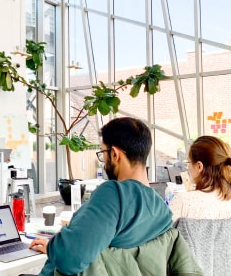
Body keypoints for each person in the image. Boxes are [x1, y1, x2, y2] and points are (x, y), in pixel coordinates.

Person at [29, 117, 174, 276]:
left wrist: (55, 247)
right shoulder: (162, 210)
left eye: (103, 153)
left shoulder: (114, 193)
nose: (103, 161)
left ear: (115, 154)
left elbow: (70, 259)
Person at [168, 136, 231, 222]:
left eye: (188, 162)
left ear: (199, 166)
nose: (188, 167)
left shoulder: (182, 201)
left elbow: (165, 234)